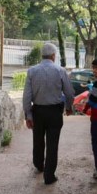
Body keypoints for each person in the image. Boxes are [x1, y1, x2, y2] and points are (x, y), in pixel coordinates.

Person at [22, 42, 74, 185]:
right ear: (53, 55)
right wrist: (69, 107)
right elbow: (69, 92)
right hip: (54, 112)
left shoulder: (32, 71)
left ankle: (39, 165)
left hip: (38, 111)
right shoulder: (60, 71)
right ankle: (49, 176)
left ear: (42, 55)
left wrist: (28, 115)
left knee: (38, 139)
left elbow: (27, 96)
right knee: (53, 143)